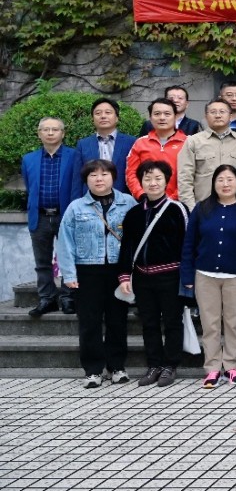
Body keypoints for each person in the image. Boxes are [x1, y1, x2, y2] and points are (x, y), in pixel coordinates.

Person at [57, 159, 137, 387]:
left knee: (117, 320)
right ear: (86, 180)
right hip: (87, 270)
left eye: (104, 174)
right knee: (89, 322)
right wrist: (69, 275)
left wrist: (134, 272)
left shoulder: (128, 203)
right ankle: (93, 370)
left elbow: (136, 239)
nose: (99, 179)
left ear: (113, 177)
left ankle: (117, 367)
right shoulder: (76, 207)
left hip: (118, 271)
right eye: (93, 175)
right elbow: (65, 242)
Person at [180, 165, 236, 388]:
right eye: (220, 179)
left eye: (230, 179)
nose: (225, 184)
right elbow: (189, 243)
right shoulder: (202, 208)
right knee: (210, 324)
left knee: (233, 323)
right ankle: (212, 368)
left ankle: (232, 366)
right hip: (205, 275)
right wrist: (187, 275)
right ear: (213, 183)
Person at [118, 160, 189, 387]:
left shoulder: (177, 209)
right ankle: (154, 365)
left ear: (167, 181)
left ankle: (170, 365)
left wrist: (188, 276)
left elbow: (188, 245)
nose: (153, 183)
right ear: (141, 182)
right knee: (148, 322)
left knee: (172, 321)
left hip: (171, 276)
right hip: (142, 277)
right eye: (147, 178)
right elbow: (127, 246)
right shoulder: (133, 213)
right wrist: (124, 275)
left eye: (158, 178)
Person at [23, 116, 81, 316]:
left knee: (69, 258)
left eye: (54, 129)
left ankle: (68, 297)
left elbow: (78, 184)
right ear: (39, 134)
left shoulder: (74, 156)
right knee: (42, 261)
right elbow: (29, 186)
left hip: (65, 215)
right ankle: (47, 298)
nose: (50, 133)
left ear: (62, 134)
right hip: (39, 216)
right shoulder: (28, 159)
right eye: (45, 129)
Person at [177, 98, 236, 210]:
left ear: (230, 116)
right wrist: (191, 209)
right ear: (206, 116)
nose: (218, 115)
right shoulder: (193, 141)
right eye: (213, 112)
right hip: (204, 207)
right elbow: (185, 178)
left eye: (222, 112)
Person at [126, 99, 188, 200]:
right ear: (150, 118)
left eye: (167, 114)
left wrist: (171, 199)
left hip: (180, 201)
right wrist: (141, 195)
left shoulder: (188, 142)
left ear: (175, 116)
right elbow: (131, 173)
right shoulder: (140, 143)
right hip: (147, 201)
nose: (162, 118)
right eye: (157, 114)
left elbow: (192, 175)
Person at [74, 97, 136, 194]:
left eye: (108, 112)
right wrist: (76, 201)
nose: (103, 116)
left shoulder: (131, 142)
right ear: (92, 119)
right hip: (91, 199)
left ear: (117, 118)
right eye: (98, 113)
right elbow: (77, 179)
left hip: (123, 198)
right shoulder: (83, 144)